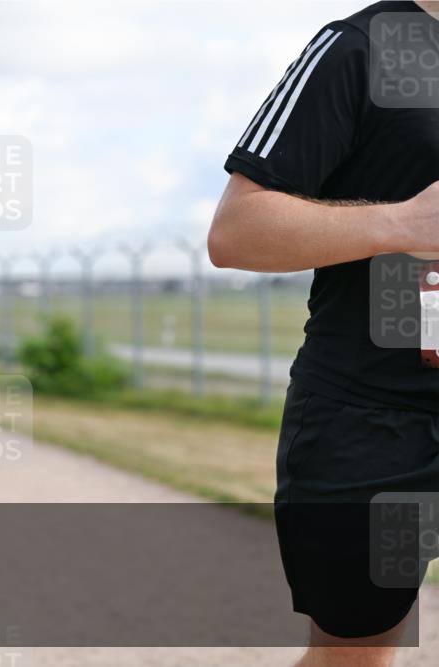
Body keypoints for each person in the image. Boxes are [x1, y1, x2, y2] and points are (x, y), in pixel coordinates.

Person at [208, 2, 439, 665]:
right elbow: (236, 231)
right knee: (356, 656)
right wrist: (401, 224)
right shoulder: (358, 47)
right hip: (373, 424)